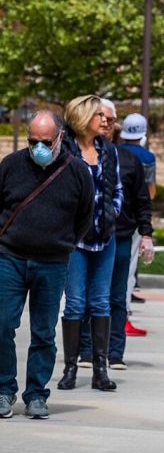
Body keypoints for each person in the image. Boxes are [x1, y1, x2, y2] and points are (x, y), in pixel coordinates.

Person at [0, 110, 94, 419]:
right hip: (11, 258)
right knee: (3, 325)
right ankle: (4, 390)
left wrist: (61, 242)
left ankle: (36, 393)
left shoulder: (76, 172)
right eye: (32, 141)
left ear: (60, 137)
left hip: (53, 262)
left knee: (44, 332)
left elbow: (84, 218)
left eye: (45, 141)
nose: (38, 147)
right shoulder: (11, 165)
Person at [57, 95, 123, 392]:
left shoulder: (108, 150)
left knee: (100, 303)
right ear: (83, 117)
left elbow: (117, 188)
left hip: (104, 238)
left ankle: (101, 369)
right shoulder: (64, 150)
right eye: (100, 115)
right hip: (75, 243)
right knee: (74, 305)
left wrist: (113, 212)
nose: (107, 120)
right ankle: (70, 368)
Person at [77, 115, 153, 371]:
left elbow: (143, 200)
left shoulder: (129, 160)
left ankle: (115, 353)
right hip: (90, 237)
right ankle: (86, 351)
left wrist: (146, 233)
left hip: (120, 237)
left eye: (109, 125)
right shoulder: (82, 158)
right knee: (90, 295)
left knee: (117, 296)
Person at [120, 113, 156, 336]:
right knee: (128, 270)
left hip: (110, 218)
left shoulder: (114, 151)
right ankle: (122, 317)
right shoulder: (147, 157)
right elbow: (149, 191)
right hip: (132, 221)